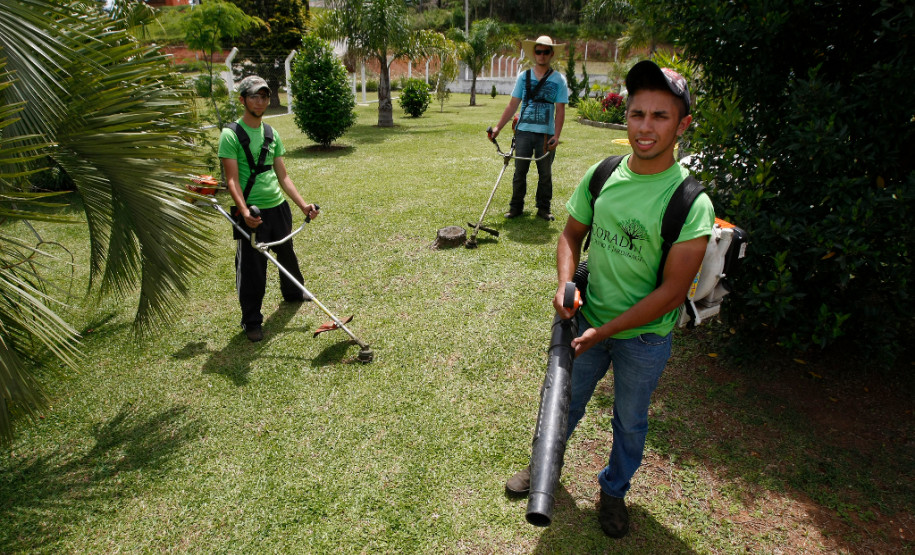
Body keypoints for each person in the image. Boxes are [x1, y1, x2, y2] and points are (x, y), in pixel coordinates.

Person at [505, 61, 715, 539]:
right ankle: (545, 474)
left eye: (661, 116)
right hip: (589, 323)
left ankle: (614, 491)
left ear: (682, 125)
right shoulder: (604, 174)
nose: (645, 126)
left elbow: (670, 293)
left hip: (642, 338)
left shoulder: (689, 202)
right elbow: (570, 235)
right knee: (562, 403)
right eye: (638, 113)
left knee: (630, 422)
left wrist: (607, 331)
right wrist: (565, 282)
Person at [219, 75, 320, 343]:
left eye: (264, 96)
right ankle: (251, 320)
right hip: (251, 212)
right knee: (252, 268)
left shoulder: (270, 133)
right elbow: (231, 180)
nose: (260, 101)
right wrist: (244, 212)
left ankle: (293, 293)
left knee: (286, 251)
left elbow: (283, 175)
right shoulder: (231, 134)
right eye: (254, 96)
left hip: (278, 207)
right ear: (242, 100)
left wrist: (303, 205)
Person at [490, 36, 569, 221]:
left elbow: (560, 110)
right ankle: (516, 207)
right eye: (538, 51)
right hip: (523, 131)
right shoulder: (523, 77)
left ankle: (544, 208)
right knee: (519, 172)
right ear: (534, 53)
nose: (541, 55)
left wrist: (556, 136)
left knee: (545, 174)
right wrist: (498, 127)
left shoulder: (559, 80)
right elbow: (512, 104)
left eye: (545, 52)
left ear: (551, 54)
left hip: (545, 134)